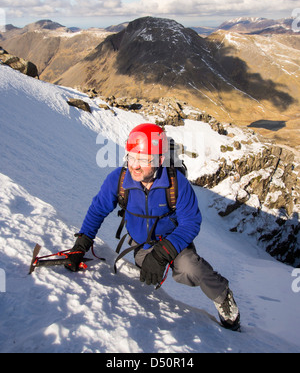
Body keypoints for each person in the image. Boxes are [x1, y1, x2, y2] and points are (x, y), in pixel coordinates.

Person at [66, 123, 240, 331]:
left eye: (143, 160)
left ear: (159, 160)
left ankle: (223, 298)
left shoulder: (177, 183)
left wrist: (162, 254)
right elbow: (98, 210)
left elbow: (191, 223)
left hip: (174, 242)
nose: (135, 166)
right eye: (131, 157)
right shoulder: (119, 180)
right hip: (142, 245)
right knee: (146, 272)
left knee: (191, 268)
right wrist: (81, 244)